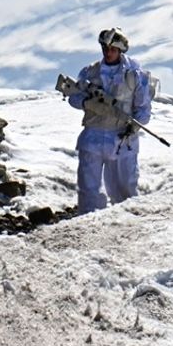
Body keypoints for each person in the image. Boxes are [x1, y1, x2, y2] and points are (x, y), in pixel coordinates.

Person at [67, 28, 152, 214]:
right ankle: (88, 227)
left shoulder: (135, 75)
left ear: (120, 50)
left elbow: (143, 109)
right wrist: (87, 103)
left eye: (112, 49)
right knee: (88, 192)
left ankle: (128, 229)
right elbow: (73, 96)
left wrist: (133, 127)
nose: (108, 52)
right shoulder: (90, 72)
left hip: (122, 140)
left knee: (125, 191)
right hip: (92, 137)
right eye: (105, 48)